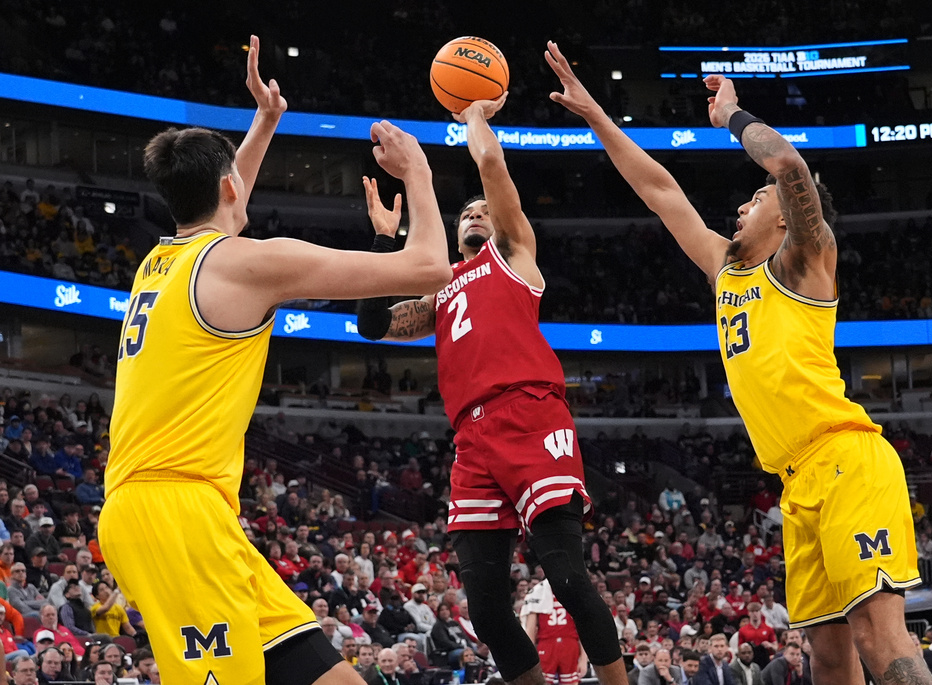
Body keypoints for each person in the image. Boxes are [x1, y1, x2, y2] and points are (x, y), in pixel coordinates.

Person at [546, 44, 926, 685]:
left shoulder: (806, 260)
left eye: (758, 197)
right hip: (796, 481)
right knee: (827, 654)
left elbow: (787, 164)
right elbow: (659, 189)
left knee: (875, 629)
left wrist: (732, 115)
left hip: (848, 459)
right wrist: (595, 115)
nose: (745, 204)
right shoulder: (727, 271)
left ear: (786, 217)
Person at [98, 35, 451, 685]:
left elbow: (221, 210)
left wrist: (265, 122)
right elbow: (430, 266)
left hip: (171, 508)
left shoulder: (161, 259)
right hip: (177, 516)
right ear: (230, 186)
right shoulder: (245, 262)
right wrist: (421, 172)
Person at [356, 92, 624, 685]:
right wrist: (385, 243)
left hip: (531, 414)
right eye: (466, 213)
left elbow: (495, 170)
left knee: (568, 579)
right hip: (471, 439)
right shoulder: (442, 291)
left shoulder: (516, 255)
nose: (476, 213)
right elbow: (372, 324)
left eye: (483, 210)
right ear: (454, 235)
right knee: (484, 609)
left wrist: (473, 117)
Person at [522, 580, 587, 685]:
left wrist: (584, 660)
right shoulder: (538, 591)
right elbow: (530, 631)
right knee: (541, 682)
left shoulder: (573, 590)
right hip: (549, 643)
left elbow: (583, 630)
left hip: (567, 643)